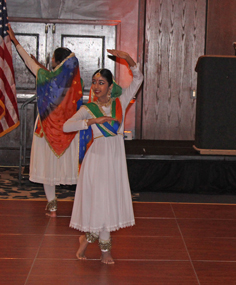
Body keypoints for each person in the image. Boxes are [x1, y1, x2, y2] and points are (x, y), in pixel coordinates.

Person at [63, 49, 143, 264]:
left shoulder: (121, 101)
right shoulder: (89, 109)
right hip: (97, 159)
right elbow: (66, 125)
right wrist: (90, 122)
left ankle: (87, 238)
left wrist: (127, 59)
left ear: (110, 85)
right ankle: (104, 250)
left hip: (115, 159)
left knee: (109, 201)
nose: (96, 87)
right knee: (99, 201)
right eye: (94, 82)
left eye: (101, 83)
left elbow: (139, 78)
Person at [7, 25, 83, 217]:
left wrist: (15, 41)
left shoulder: (45, 77)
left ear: (57, 62)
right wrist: (39, 65)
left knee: (47, 166)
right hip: (68, 130)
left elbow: (39, 70)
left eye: (52, 61)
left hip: (46, 130)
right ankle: (83, 205)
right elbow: (52, 76)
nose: (50, 63)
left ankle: (52, 205)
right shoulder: (73, 81)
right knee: (71, 167)